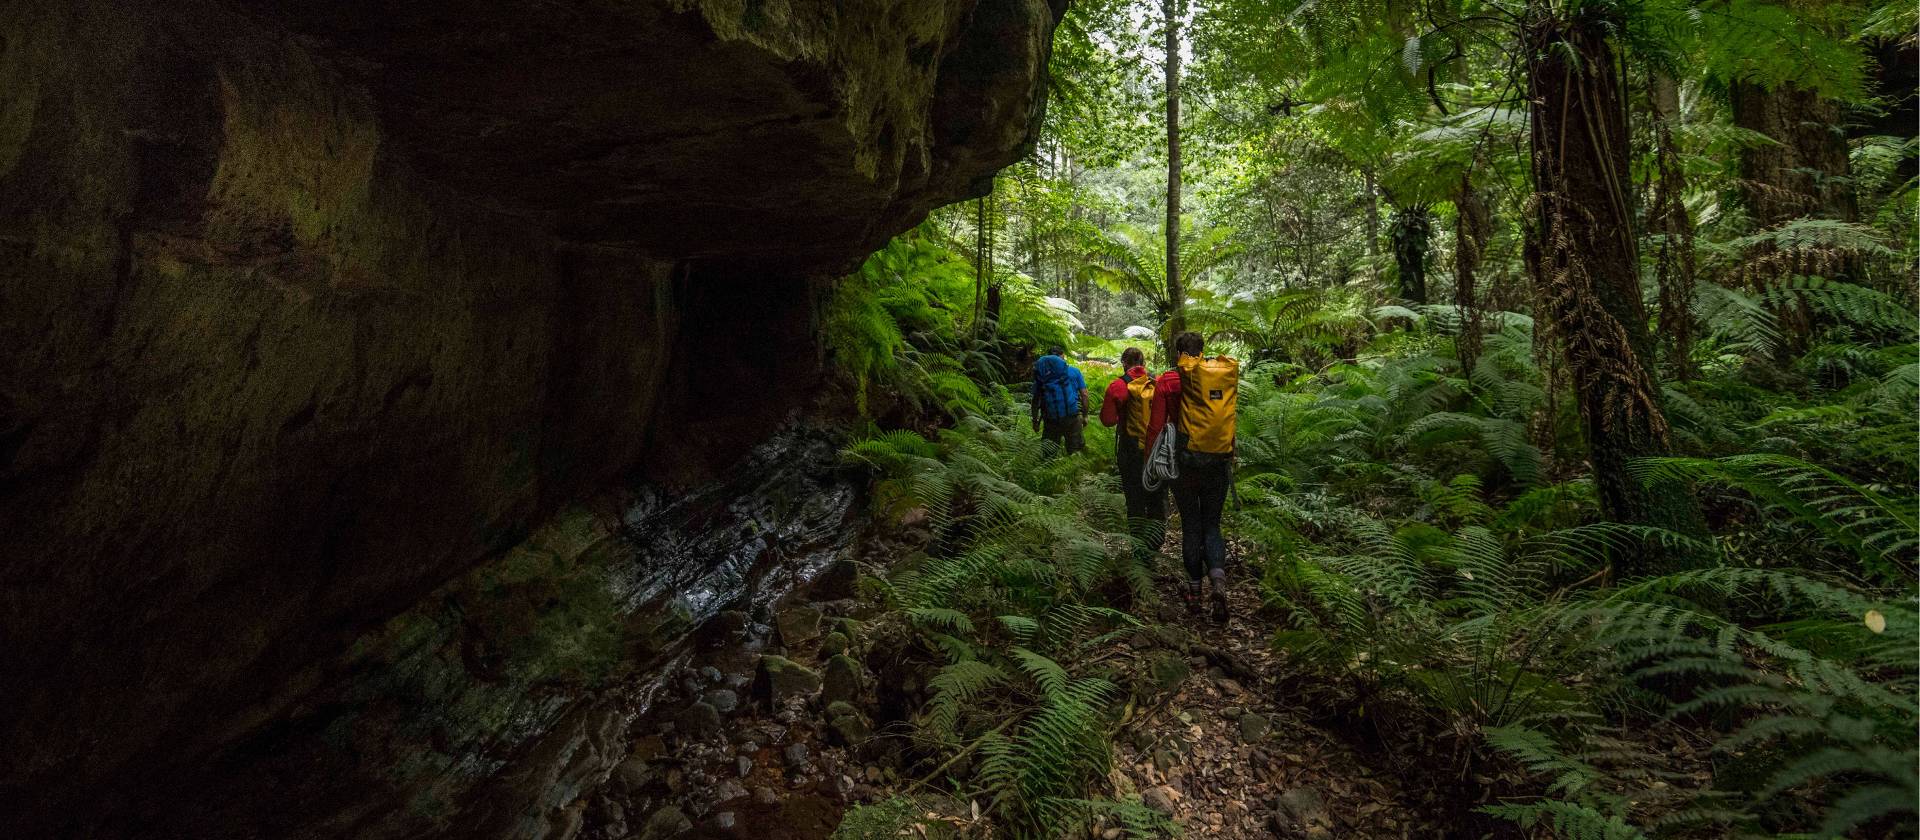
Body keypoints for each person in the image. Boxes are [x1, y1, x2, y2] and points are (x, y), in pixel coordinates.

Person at [1165, 331, 1240, 622]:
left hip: (1185, 464)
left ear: (1179, 353)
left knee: (1191, 526)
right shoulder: (1220, 375)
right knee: (1212, 525)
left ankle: (1194, 594)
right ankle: (1219, 582)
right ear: (1203, 350)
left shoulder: (1174, 379)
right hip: (1218, 463)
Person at [1098, 347, 1167, 566]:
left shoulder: (1118, 386)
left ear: (1124, 363)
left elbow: (1107, 420)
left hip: (1131, 453)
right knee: (1156, 499)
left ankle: (1139, 551)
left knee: (1135, 501)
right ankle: (1155, 545)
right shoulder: (1157, 383)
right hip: (1157, 451)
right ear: (1143, 363)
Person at [1030, 346, 1088, 455]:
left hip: (1050, 419)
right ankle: (1073, 471)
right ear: (1063, 356)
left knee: (1049, 455)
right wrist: (1085, 415)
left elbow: (1035, 399)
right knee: (1075, 452)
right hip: (1072, 417)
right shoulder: (1074, 371)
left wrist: (1035, 421)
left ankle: (1049, 471)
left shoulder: (1043, 375)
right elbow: (1084, 395)